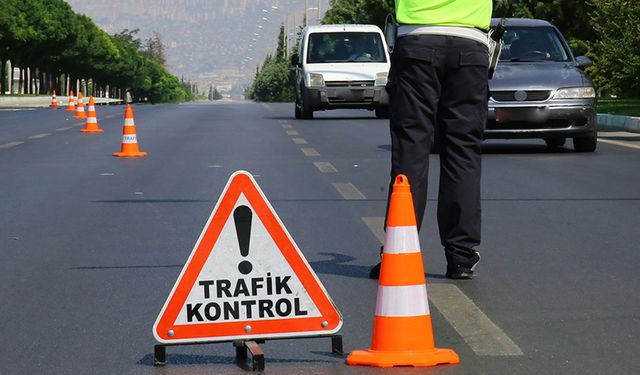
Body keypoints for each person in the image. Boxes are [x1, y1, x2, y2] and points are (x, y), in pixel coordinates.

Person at [370, 0, 492, 280]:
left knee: (410, 150)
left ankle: (398, 251)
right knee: (463, 153)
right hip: (470, 45)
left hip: (417, 43)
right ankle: (461, 258)